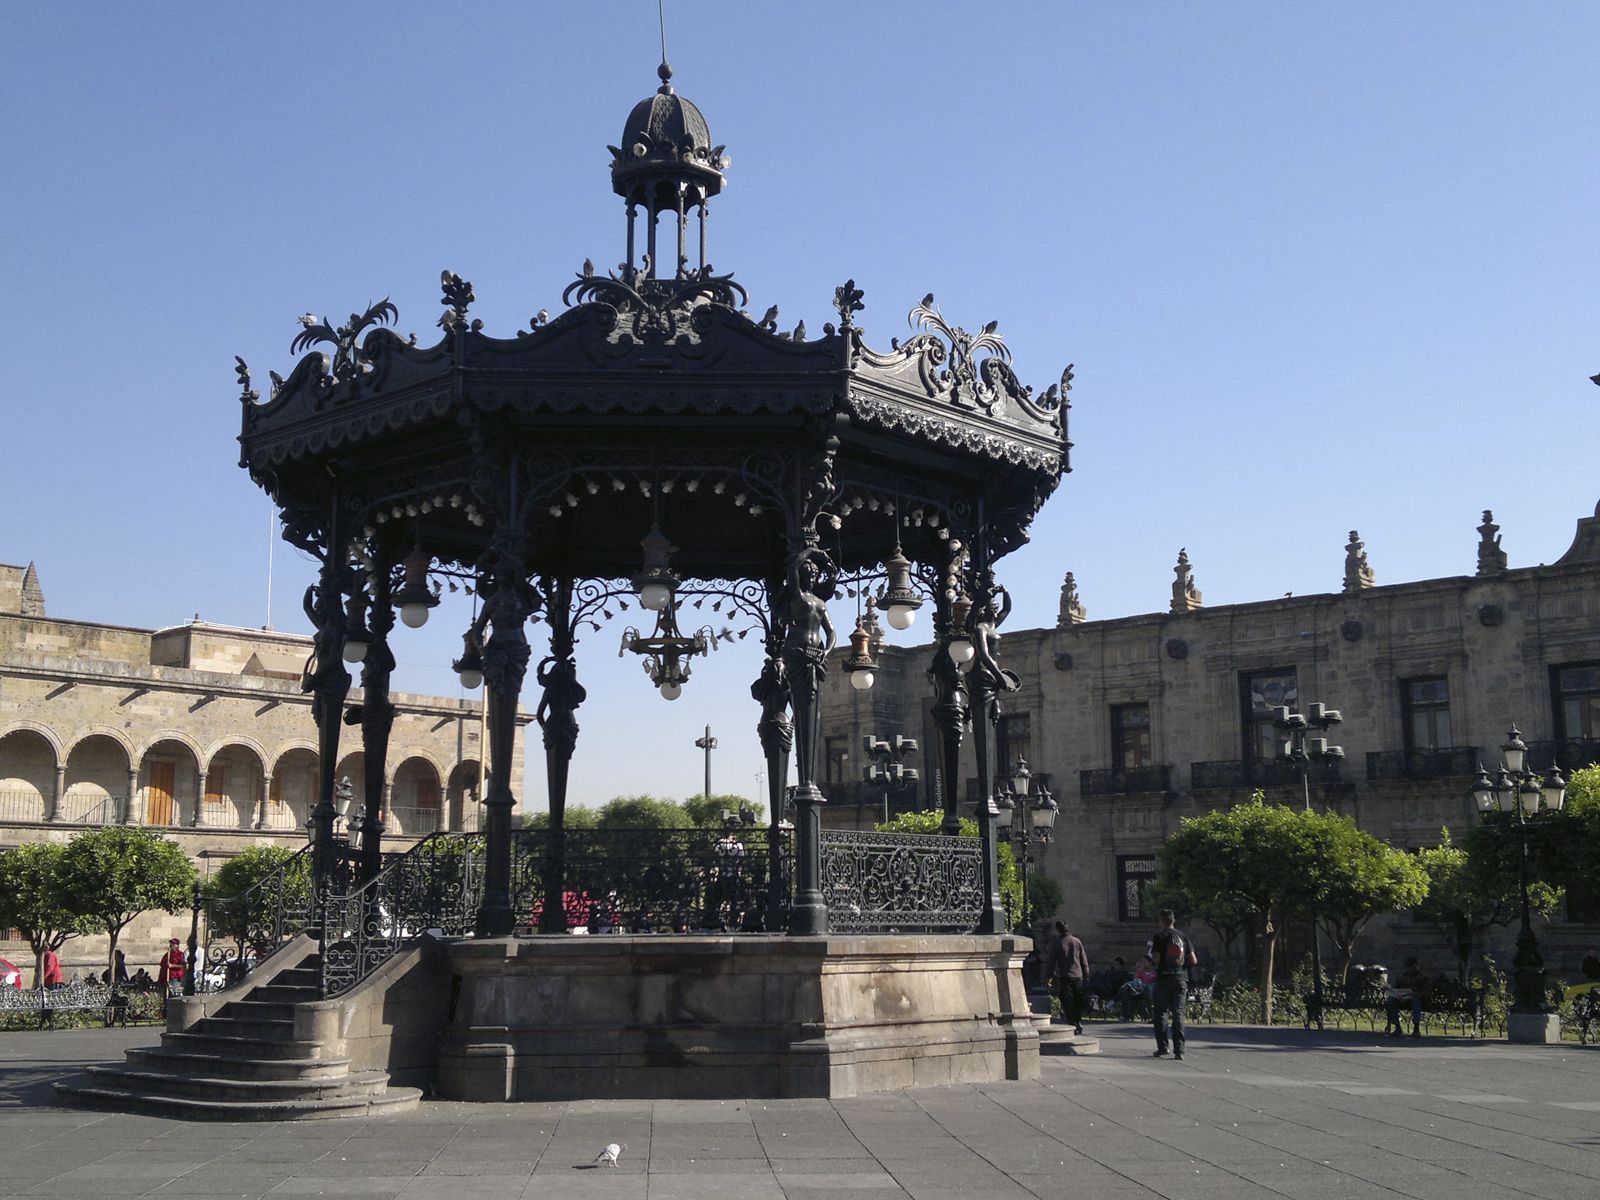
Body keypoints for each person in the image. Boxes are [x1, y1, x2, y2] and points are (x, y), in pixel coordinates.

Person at [1149, 909, 1197, 1060]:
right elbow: (1194, 960)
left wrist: (1151, 963)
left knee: (1161, 1013)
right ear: (1173, 920)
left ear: (1161, 921)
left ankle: (1163, 1047)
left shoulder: (1159, 936)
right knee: (1178, 1013)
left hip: (1164, 979)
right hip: (1181, 979)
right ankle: (1180, 1050)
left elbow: (1156, 959)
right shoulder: (1183, 936)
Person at [1048, 920, 1089, 1035]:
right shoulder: (1077, 941)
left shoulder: (1058, 943)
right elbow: (1083, 959)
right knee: (1077, 1000)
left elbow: (1051, 961)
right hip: (1078, 975)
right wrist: (1086, 974)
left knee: (1067, 1001)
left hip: (1065, 976)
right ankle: (1078, 1020)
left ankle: (1072, 1022)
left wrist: (1049, 976)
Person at [1385, 958, 1427, 1038]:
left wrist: (1418, 994)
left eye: (1411, 967)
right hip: (1403, 998)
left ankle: (1416, 1029)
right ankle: (1397, 1027)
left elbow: (1427, 991)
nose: (1409, 970)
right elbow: (1397, 986)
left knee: (1416, 1002)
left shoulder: (1422, 977)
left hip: (1416, 998)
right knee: (1390, 1001)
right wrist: (1392, 991)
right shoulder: (1404, 976)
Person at [1119, 955, 1157, 1021]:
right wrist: (1139, 971)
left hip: (1149, 992)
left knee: (1149, 988)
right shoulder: (1140, 972)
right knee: (1126, 989)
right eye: (1142, 962)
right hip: (1138, 991)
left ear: (1150, 963)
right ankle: (1126, 1016)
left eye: (1145, 962)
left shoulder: (1154, 973)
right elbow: (1135, 981)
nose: (1143, 963)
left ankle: (1113, 1002)